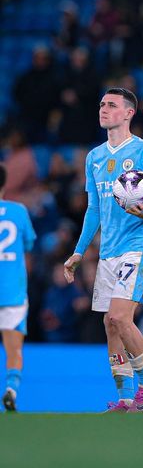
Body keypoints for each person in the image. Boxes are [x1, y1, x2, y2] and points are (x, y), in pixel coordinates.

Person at [64, 87, 143, 413]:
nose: (103, 109)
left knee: (120, 317)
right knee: (110, 325)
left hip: (139, 246)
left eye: (111, 105)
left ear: (129, 113)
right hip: (108, 252)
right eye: (101, 104)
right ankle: (126, 398)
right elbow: (93, 211)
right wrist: (79, 252)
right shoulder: (94, 158)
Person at [0, 164, 36, 411]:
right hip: (12, 291)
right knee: (14, 349)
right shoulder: (18, 211)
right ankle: (11, 390)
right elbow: (29, 245)